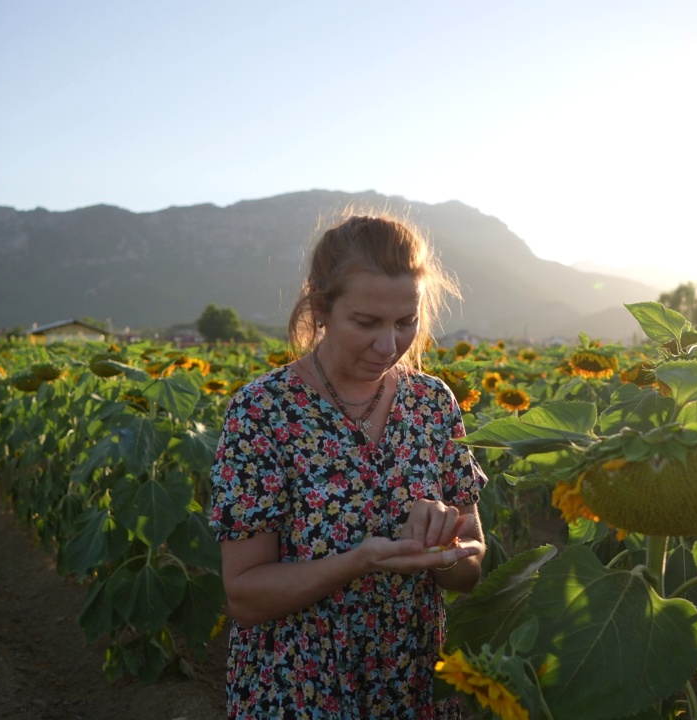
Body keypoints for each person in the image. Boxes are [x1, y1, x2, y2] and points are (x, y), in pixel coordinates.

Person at [209, 212, 488, 718]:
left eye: (406, 322)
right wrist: (359, 561)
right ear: (321, 308)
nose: (389, 346)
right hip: (299, 686)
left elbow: (471, 567)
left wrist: (445, 544)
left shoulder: (432, 403)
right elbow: (244, 596)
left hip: (413, 682)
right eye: (366, 323)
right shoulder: (263, 412)